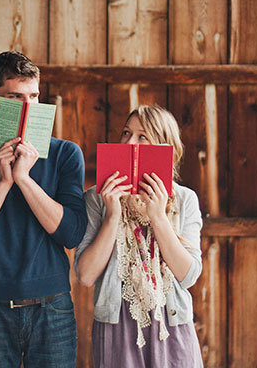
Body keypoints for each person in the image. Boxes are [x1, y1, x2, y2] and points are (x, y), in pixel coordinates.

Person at [0, 51, 87, 368]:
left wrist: (23, 179)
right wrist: (4, 183)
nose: (27, 106)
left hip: (53, 307)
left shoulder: (66, 154)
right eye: (15, 97)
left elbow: (72, 233)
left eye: (33, 96)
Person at [75, 105, 203, 367]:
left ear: (164, 146)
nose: (129, 142)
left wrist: (158, 215)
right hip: (116, 327)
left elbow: (188, 275)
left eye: (142, 136)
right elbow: (86, 275)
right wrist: (112, 215)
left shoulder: (184, 199)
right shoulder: (96, 198)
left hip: (172, 325)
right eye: (125, 133)